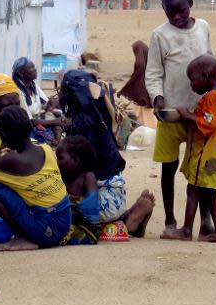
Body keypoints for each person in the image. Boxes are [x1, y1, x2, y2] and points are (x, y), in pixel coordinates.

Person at [145, 0, 215, 235]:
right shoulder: (160, 36)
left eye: (181, 10)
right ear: (163, 8)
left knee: (202, 171)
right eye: (170, 11)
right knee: (168, 168)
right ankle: (170, 221)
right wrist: (157, 99)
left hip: (200, 113)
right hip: (171, 113)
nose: (177, 16)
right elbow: (153, 73)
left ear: (191, 3)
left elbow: (211, 62)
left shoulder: (203, 28)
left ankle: (206, 221)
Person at [59, 69, 155, 236]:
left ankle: (127, 221)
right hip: (114, 191)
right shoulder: (99, 113)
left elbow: (78, 171)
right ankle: (127, 215)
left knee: (56, 206)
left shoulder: (84, 123)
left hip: (103, 199)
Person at [0, 106, 72, 251]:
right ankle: (28, 233)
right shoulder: (46, 149)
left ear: (4, 135)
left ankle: (21, 236)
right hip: (65, 221)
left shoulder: (10, 160)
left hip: (46, 230)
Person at [161, 55, 216, 242]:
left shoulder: (212, 98)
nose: (191, 85)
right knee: (209, 194)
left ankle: (186, 230)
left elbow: (209, 123)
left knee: (193, 191)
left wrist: (187, 115)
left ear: (206, 76)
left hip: (207, 156)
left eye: (193, 80)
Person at [11, 57, 67, 145]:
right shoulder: (17, 91)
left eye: (34, 67)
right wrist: (55, 121)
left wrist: (54, 104)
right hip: (28, 127)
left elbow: (46, 104)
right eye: (31, 68)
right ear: (21, 73)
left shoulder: (33, 85)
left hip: (41, 120)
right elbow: (29, 121)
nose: (35, 70)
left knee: (59, 123)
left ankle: (56, 139)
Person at [56, 136, 101, 245]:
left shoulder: (87, 177)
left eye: (60, 158)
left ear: (75, 160)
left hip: (86, 227)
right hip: (67, 220)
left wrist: (70, 212)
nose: (56, 161)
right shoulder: (61, 177)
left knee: (56, 236)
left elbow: (91, 207)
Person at [115, 41, 157, 146]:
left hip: (142, 93)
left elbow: (138, 69)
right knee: (143, 115)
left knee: (139, 115)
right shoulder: (149, 61)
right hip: (148, 92)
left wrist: (123, 89)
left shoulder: (141, 65)